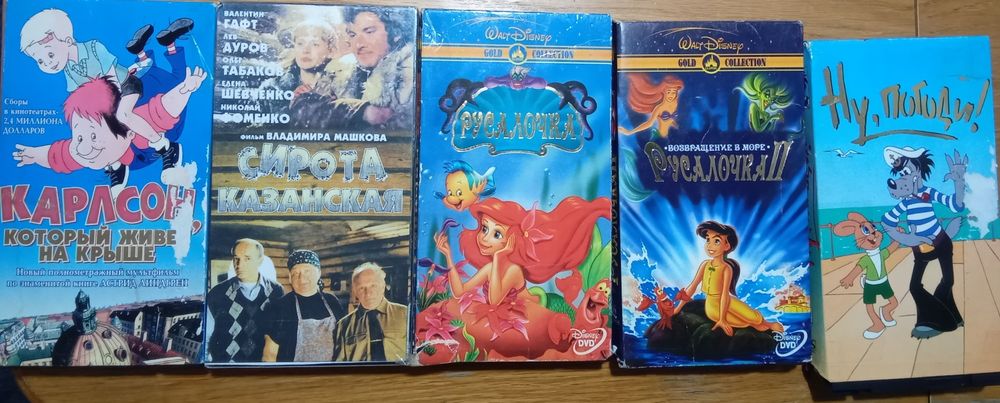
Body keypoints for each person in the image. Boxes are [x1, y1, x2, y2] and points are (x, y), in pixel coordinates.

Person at [20, 9, 192, 169]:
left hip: (125, 86)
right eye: (40, 61)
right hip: (105, 97)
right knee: (99, 126)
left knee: (123, 115)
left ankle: (163, 145)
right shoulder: (69, 69)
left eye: (50, 55)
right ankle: (115, 165)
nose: (48, 64)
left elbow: (113, 79)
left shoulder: (94, 48)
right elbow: (77, 94)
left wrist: (108, 110)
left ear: (67, 40)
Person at [12, 66, 206, 196]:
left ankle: (168, 149)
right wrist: (34, 155)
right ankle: (116, 166)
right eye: (79, 136)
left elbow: (163, 109)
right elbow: (59, 155)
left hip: (143, 151)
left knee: (144, 127)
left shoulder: (136, 126)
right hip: (122, 155)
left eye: (93, 136)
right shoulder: (80, 150)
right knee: (97, 153)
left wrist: (185, 89)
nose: (83, 147)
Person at [291, 7, 415, 130]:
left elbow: (401, 123)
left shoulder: (410, 71)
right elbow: (303, 111)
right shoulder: (339, 70)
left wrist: (332, 108)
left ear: (396, 33)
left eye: (369, 32)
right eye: (352, 35)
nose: (358, 44)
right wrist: (362, 111)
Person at [672, 221, 784, 336]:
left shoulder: (726, 268)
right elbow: (692, 286)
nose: (710, 245)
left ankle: (767, 324)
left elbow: (725, 294)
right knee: (742, 322)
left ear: (727, 246)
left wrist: (722, 319)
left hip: (727, 300)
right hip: (712, 305)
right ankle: (759, 326)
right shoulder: (705, 265)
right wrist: (678, 308)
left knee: (753, 317)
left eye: (716, 241)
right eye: (708, 240)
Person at [205, 239, 284, 363]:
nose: (239, 265)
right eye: (236, 258)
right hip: (226, 367)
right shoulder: (217, 293)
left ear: (260, 261)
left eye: (247, 258)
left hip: (262, 367)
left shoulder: (276, 291)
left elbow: (280, 333)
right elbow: (206, 335)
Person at [257, 18, 351, 120]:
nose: (305, 50)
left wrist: (327, 106)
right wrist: (291, 109)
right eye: (300, 43)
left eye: (315, 44)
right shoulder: (271, 88)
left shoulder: (344, 88)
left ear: (331, 51)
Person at [263, 250, 345, 362]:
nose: (302, 278)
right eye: (296, 273)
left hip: (330, 372)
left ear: (318, 273)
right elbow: (269, 355)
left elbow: (344, 342)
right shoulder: (281, 306)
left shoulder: (332, 301)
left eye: (307, 271)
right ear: (290, 277)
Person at [334, 263, 408, 362]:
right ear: (355, 291)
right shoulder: (343, 325)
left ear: (383, 286)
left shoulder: (406, 314)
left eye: (373, 286)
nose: (368, 293)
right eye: (361, 288)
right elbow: (339, 365)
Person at [618, 74, 684, 137]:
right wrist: (630, 132)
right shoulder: (659, 108)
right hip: (660, 137)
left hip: (672, 137)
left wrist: (678, 127)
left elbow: (670, 120)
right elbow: (649, 123)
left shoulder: (676, 104)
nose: (671, 95)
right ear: (664, 91)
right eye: (668, 92)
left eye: (673, 92)